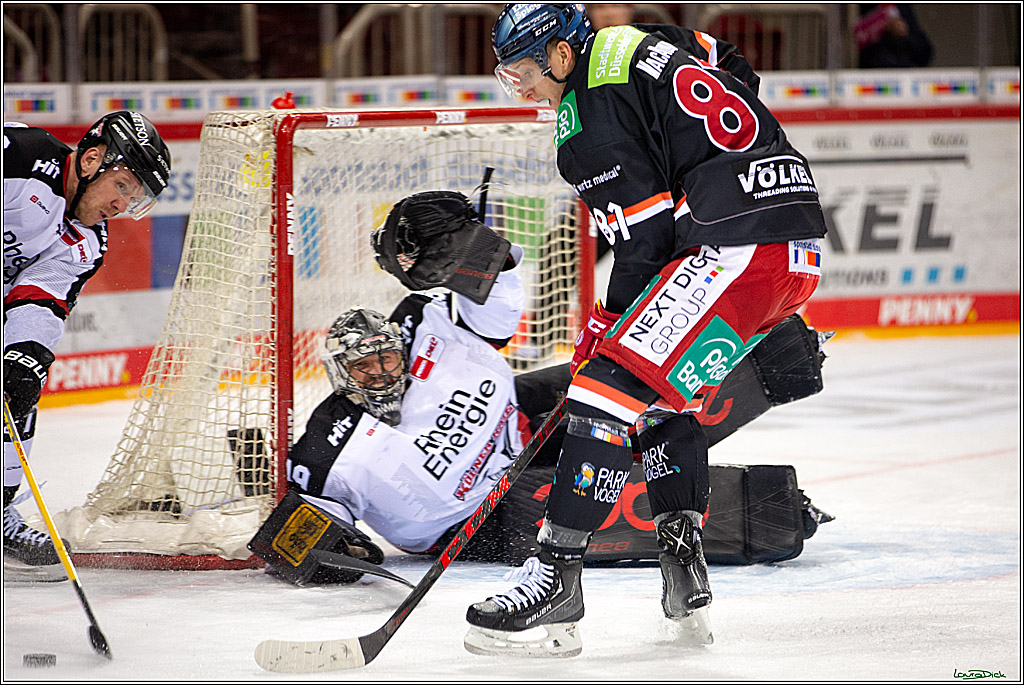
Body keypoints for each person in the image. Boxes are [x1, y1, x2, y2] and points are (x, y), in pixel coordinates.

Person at [463, 4, 827, 657]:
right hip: (792, 243)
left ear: (562, 55)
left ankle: (554, 578)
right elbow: (732, 65)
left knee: (601, 396)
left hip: (737, 249)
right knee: (660, 399)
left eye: (525, 72)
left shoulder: (584, 126)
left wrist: (606, 325)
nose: (522, 88)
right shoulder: (638, 39)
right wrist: (708, 164)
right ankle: (684, 569)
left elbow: (645, 242)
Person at [248, 190, 571, 586]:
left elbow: (498, 311)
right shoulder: (326, 445)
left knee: (608, 383)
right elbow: (298, 545)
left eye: (386, 359)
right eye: (363, 366)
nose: (380, 374)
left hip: (519, 428)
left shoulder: (422, 322)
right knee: (596, 488)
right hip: (479, 517)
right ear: (339, 374)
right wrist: (339, 550)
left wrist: (482, 250)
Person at [3, 111, 171, 581]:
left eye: (133, 197)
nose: (121, 204)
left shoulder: (87, 242)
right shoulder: (20, 156)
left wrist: (26, 356)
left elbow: (40, 299)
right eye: (122, 185)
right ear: (92, 159)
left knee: (19, 386)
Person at [856, 4, 933, 69]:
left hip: (900, 74)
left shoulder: (900, 7)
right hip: (868, 75)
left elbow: (924, 54)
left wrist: (904, 35)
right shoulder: (857, 8)